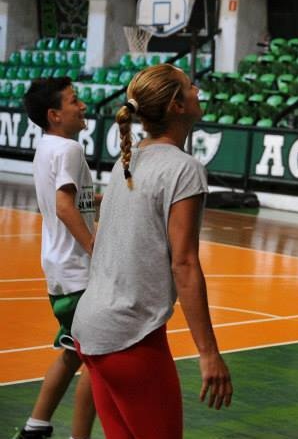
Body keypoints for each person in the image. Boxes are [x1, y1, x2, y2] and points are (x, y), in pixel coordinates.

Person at [72, 64, 232, 438]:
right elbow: (185, 264)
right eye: (189, 86)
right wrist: (208, 352)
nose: (197, 90)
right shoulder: (184, 169)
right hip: (128, 338)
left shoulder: (128, 160)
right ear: (177, 105)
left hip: (92, 329)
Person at [18, 78, 97, 439]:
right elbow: (65, 206)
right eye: (74, 101)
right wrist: (97, 250)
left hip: (58, 268)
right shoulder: (68, 149)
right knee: (100, 361)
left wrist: (110, 200)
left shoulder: (47, 147)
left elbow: (72, 199)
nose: (82, 106)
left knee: (72, 353)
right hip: (79, 271)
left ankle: (36, 427)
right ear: (54, 115)